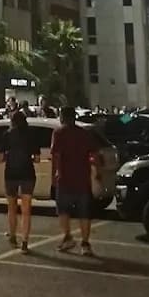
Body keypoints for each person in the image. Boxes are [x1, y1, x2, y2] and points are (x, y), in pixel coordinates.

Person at [50, 106, 96, 256]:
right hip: (83, 177)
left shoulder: (58, 133)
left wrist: (55, 175)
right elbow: (92, 154)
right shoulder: (84, 134)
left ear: (63, 117)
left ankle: (68, 237)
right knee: (84, 213)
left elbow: (56, 155)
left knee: (63, 210)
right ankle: (85, 243)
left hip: (65, 178)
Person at [2, 109, 40, 253]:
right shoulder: (31, 135)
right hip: (27, 173)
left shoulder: (7, 135)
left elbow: (0, 157)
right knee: (26, 209)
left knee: (11, 208)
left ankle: (13, 236)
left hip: (11, 173)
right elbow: (36, 158)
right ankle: (25, 241)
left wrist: (8, 157)